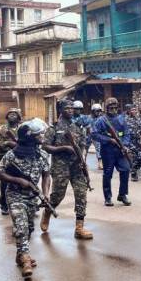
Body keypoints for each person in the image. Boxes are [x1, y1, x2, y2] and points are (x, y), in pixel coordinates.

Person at [0, 119, 51, 278]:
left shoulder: (41, 155)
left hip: (32, 197)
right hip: (15, 195)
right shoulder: (11, 155)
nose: (41, 136)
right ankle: (26, 259)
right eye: (38, 134)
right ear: (29, 137)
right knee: (21, 227)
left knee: (29, 228)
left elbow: (46, 175)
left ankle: (20, 254)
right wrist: (18, 180)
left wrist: (45, 194)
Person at [40, 99, 93, 239]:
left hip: (77, 166)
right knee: (58, 195)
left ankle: (79, 227)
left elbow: (82, 145)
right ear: (61, 110)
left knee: (81, 194)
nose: (70, 110)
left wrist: (83, 159)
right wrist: (63, 148)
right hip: (60, 167)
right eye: (67, 108)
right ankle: (47, 212)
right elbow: (45, 146)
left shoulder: (77, 127)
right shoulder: (54, 128)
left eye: (72, 108)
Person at [92, 97, 132, 207]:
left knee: (126, 169)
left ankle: (122, 194)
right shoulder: (101, 120)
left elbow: (127, 133)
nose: (113, 110)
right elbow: (94, 134)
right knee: (107, 174)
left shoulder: (121, 119)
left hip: (120, 150)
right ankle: (108, 197)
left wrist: (125, 144)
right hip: (108, 150)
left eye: (115, 107)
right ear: (107, 108)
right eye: (111, 108)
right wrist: (109, 139)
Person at [0, 108, 22, 215]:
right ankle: (4, 205)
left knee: (24, 181)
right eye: (10, 114)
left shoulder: (23, 129)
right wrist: (7, 143)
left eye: (15, 114)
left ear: (19, 117)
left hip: (21, 158)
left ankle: (26, 204)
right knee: (4, 182)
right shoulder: (0, 129)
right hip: (5, 158)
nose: (12, 115)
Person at [88, 104, 104, 170]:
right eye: (97, 111)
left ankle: (100, 163)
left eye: (99, 111)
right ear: (93, 111)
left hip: (97, 136)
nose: (98, 112)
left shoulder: (101, 118)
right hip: (88, 135)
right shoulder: (89, 118)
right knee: (84, 150)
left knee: (99, 147)